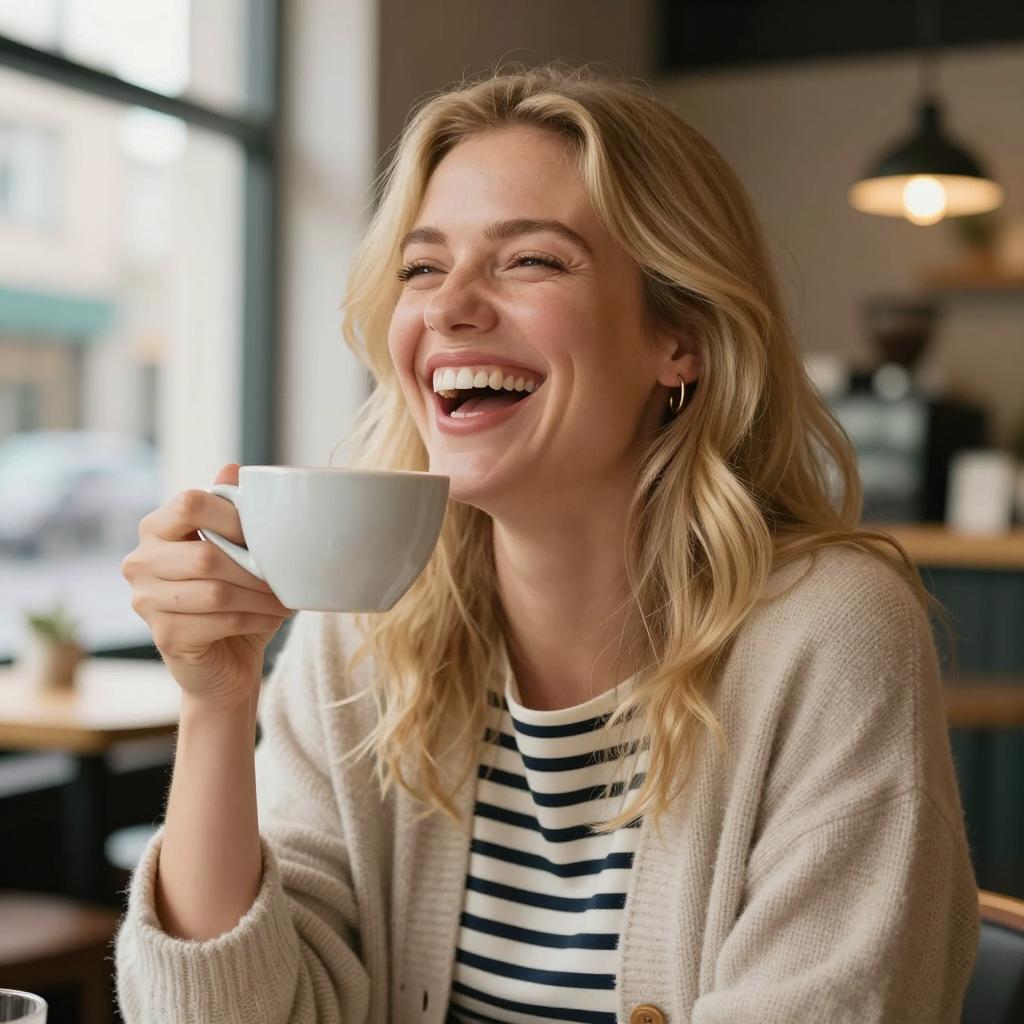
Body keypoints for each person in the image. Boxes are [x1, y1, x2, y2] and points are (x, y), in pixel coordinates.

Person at [114, 63, 979, 1023]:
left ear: (679, 336)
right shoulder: (360, 637)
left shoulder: (830, 635)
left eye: (530, 260)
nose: (449, 308)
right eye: (422, 267)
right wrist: (216, 705)